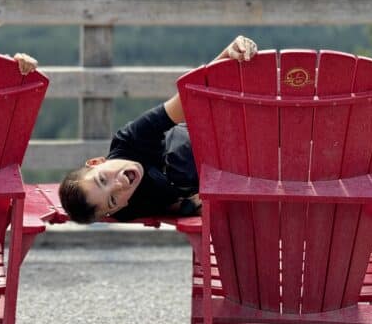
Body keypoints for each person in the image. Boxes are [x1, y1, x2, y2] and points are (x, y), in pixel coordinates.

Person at [58, 35, 258, 223]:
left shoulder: (131, 140)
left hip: (236, 133)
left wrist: (228, 54)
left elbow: (190, 98)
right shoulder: (128, 210)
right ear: (118, 208)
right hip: (242, 181)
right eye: (112, 200)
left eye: (103, 179)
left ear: (97, 162)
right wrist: (188, 205)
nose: (118, 186)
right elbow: (167, 204)